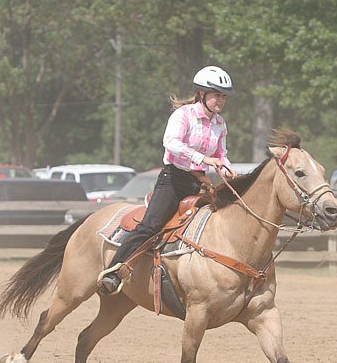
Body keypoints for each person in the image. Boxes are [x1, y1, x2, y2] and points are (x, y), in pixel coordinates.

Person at [98, 66, 237, 295]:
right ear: (202, 94)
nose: (221, 100)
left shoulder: (220, 124)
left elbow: (221, 155)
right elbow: (171, 142)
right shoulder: (184, 115)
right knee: (150, 225)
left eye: (224, 95)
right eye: (217, 94)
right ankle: (114, 271)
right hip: (173, 180)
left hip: (198, 183)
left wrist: (227, 170)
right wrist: (203, 158)